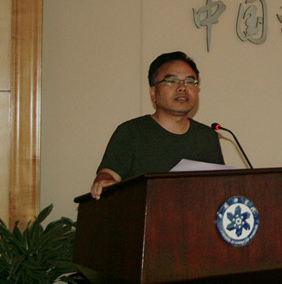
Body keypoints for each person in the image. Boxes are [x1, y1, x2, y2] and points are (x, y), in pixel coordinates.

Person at [90, 51, 224, 199]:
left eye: (190, 82)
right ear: (153, 92)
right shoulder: (131, 132)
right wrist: (104, 181)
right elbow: (108, 174)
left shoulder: (207, 137)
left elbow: (219, 187)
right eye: (171, 81)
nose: (182, 87)